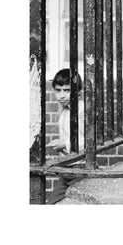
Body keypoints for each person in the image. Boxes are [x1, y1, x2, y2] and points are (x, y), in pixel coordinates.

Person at [47, 68, 84, 204]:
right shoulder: (63, 110)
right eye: (58, 90)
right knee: (52, 202)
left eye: (67, 90)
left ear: (78, 92)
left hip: (81, 169)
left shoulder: (81, 110)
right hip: (66, 170)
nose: (61, 95)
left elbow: (92, 141)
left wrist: (65, 144)